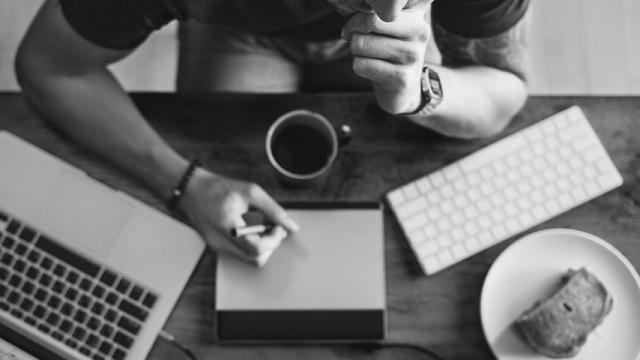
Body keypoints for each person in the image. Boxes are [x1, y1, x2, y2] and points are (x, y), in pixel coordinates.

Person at [15, 0, 530, 265]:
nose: (394, 12)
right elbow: (49, 67)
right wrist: (185, 182)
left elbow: (503, 92)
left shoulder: (395, 15)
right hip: (238, 29)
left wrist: (422, 89)